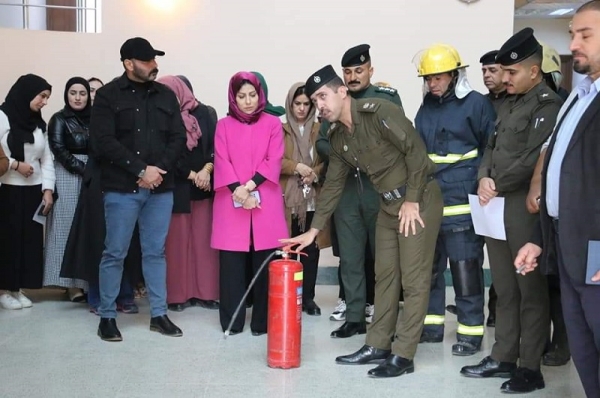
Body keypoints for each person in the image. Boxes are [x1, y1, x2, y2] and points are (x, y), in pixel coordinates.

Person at [282, 65, 443, 378]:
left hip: (418, 199)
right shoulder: (340, 137)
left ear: (342, 91)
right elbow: (333, 186)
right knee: (384, 275)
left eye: (323, 96)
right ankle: (378, 344)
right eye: (315, 100)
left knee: (413, 279)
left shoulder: (380, 111)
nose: (320, 105)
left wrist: (411, 200)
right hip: (387, 205)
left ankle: (404, 354)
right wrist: (313, 231)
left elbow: (416, 153)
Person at [460, 28, 563, 394]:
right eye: (502, 72)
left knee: (530, 289)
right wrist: (484, 177)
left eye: (511, 72)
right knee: (504, 288)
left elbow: (535, 158)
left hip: (524, 208)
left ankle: (529, 366)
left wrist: (497, 181)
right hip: (495, 205)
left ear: (533, 71)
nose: (503, 78)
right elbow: (490, 146)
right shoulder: (507, 103)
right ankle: (503, 354)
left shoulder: (547, 106)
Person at [514, 3, 600, 396]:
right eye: (572, 34)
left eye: (586, 35)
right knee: (583, 349)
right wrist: (539, 237)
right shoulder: (577, 96)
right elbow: (558, 173)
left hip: (596, 252)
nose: (574, 43)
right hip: (567, 244)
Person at [90, 37, 186, 341]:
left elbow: (178, 138)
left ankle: (159, 314)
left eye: (155, 60)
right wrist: (142, 170)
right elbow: (104, 142)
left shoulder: (167, 95)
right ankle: (107, 316)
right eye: (147, 61)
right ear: (128, 64)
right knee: (114, 252)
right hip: (121, 189)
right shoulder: (107, 96)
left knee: (155, 253)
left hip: (160, 188)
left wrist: (157, 172)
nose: (154, 65)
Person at [315, 44, 403, 336]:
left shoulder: (385, 98)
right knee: (351, 258)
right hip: (348, 192)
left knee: (384, 258)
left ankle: (384, 317)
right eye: (348, 72)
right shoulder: (335, 100)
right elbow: (323, 143)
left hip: (378, 190)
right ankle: (354, 317)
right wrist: (350, 153)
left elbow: (398, 139)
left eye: (359, 71)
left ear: (370, 70)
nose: (353, 77)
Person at [414, 44, 495, 356]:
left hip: (462, 203)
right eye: (428, 78)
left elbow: (491, 147)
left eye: (438, 77)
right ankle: (432, 327)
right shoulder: (426, 108)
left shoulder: (476, 105)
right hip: (431, 204)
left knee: (465, 270)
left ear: (455, 74)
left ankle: (470, 333)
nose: (433, 83)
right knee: (430, 270)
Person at [211, 71, 287, 336]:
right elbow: (221, 160)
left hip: (263, 197)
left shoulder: (273, 124)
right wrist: (238, 191)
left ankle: (262, 323)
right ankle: (232, 322)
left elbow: (274, 159)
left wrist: (249, 187)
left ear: (260, 95)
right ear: (233, 98)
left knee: (265, 263)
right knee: (231, 265)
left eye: (252, 95)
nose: (247, 101)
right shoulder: (223, 126)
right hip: (231, 201)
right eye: (241, 96)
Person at [157, 75, 220, 312]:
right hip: (178, 186)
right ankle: (177, 296)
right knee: (177, 244)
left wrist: (206, 170)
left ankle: (206, 294)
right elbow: (167, 153)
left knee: (204, 243)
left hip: (205, 184)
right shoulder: (163, 117)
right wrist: (193, 175)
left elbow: (216, 144)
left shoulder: (204, 113)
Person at [0, 74, 54, 310]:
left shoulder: (38, 123)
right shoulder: (2, 116)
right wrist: (15, 164)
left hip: (33, 190)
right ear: (26, 92)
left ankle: (17, 287)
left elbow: (47, 159)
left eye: (47, 98)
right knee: (8, 241)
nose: (44, 102)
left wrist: (48, 189)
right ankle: (4, 289)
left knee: (29, 242)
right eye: (41, 96)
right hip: (7, 188)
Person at [280, 82, 327, 316]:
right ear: (290, 104)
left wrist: (314, 173)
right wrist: (296, 166)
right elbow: (274, 160)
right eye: (297, 104)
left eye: (306, 104)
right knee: (289, 248)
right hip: (288, 200)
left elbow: (328, 159)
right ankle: (289, 293)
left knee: (311, 250)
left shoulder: (320, 129)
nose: (301, 108)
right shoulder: (280, 129)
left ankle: (308, 297)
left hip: (313, 198)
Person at [42, 77, 91, 303]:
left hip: (92, 176)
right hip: (68, 175)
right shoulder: (59, 119)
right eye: (73, 93)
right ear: (66, 95)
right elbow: (59, 149)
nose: (78, 97)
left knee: (87, 229)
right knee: (66, 227)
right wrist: (83, 168)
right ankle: (68, 285)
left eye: (82, 93)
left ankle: (85, 282)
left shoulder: (95, 118)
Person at [478, 49, 508, 328]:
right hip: (482, 189)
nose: (488, 75)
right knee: (484, 253)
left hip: (509, 189)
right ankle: (490, 312)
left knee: (505, 257)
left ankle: (501, 312)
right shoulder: (480, 104)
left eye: (493, 70)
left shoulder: (515, 102)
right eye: (484, 71)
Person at [480, 50, 508, 114]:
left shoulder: (517, 101)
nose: (486, 75)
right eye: (484, 71)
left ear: (505, 71)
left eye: (492, 70)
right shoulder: (480, 102)